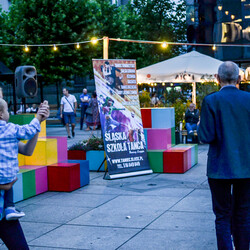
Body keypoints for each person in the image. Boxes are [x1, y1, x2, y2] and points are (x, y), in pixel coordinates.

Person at [198, 61, 250, 250]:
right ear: (239, 78)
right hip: (246, 167)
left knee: (222, 216)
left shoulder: (211, 101)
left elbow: (205, 136)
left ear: (217, 78)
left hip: (219, 168)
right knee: (243, 215)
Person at [0, 100, 49, 249]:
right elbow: (26, 131)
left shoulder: (8, 133)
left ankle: (9, 207)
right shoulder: (10, 129)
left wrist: (39, 122)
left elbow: (27, 150)